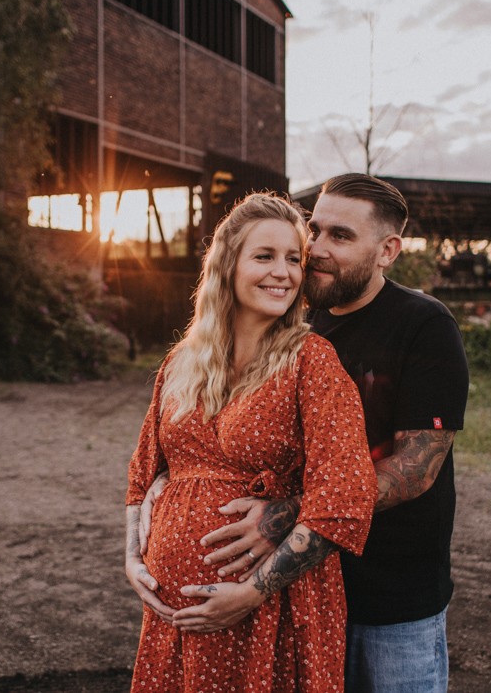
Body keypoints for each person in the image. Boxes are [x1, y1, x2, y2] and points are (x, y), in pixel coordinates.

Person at [139, 174, 469, 692]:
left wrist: (286, 514)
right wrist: (175, 482)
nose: (315, 248)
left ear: (387, 251)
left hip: (390, 591)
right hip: (301, 587)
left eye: (341, 236)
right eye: (314, 230)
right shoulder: (291, 320)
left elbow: (416, 468)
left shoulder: (422, 324)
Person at [124, 192, 378, 692]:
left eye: (293, 259)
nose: (283, 273)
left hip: (270, 612)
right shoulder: (181, 363)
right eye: (264, 256)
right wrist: (134, 559)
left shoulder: (312, 361)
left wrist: (251, 593)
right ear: (227, 266)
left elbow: (344, 497)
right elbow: (142, 475)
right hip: (173, 617)